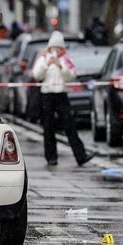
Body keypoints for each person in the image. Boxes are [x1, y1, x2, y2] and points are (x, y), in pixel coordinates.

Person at [32, 31, 95, 166]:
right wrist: (47, 64)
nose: (56, 50)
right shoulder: (43, 58)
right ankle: (51, 157)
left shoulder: (65, 59)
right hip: (47, 95)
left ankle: (81, 156)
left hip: (61, 94)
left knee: (69, 126)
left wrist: (60, 65)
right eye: (54, 47)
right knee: (48, 127)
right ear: (50, 47)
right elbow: (37, 75)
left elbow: (71, 75)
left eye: (59, 47)